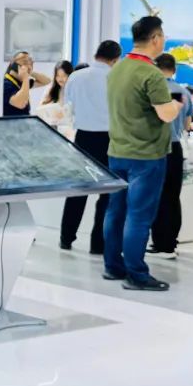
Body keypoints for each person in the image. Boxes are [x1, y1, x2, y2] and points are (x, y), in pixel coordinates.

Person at [103, 17, 182, 291]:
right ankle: (136, 274)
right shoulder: (152, 74)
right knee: (139, 216)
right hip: (146, 155)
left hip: (117, 151)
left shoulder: (117, 68)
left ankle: (113, 266)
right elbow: (165, 114)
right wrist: (176, 105)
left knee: (116, 212)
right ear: (156, 38)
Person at [60, 41, 121, 254]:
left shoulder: (76, 76)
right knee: (107, 194)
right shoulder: (116, 78)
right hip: (109, 139)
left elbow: (68, 106)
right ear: (115, 59)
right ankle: (98, 244)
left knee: (78, 190)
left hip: (83, 138)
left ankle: (66, 238)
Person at [149, 53, 193, 260]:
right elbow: (187, 125)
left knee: (156, 196)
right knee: (173, 197)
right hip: (176, 148)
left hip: (155, 147)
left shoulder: (152, 90)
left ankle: (159, 243)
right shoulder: (183, 91)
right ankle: (171, 243)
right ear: (174, 70)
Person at [3, 51, 51, 116]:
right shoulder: (6, 84)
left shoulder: (21, 82)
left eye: (30, 63)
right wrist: (25, 77)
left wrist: (30, 72)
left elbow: (47, 81)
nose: (28, 65)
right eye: (25, 62)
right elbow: (21, 104)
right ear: (13, 64)